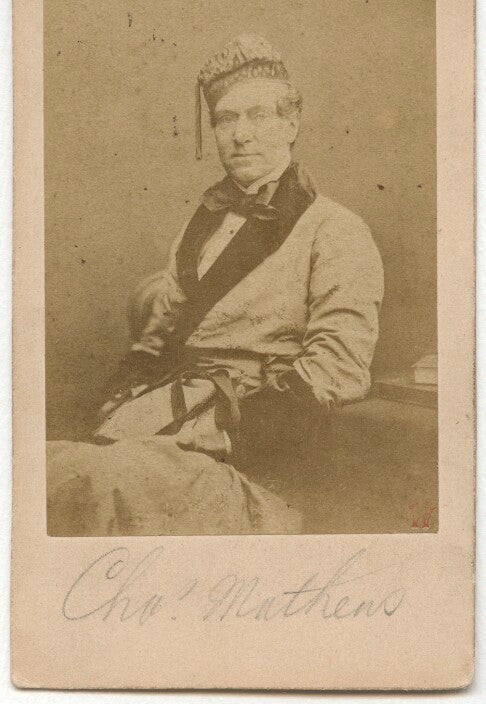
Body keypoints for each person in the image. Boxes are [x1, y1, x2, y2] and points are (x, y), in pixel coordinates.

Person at [47, 34, 384, 536]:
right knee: (46, 471)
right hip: (161, 420)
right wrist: (123, 404)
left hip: (241, 453)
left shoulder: (335, 229)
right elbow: (158, 337)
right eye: (226, 119)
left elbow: (338, 368)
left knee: (100, 485)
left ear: (291, 123)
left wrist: (223, 428)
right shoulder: (200, 224)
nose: (240, 135)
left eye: (258, 116)